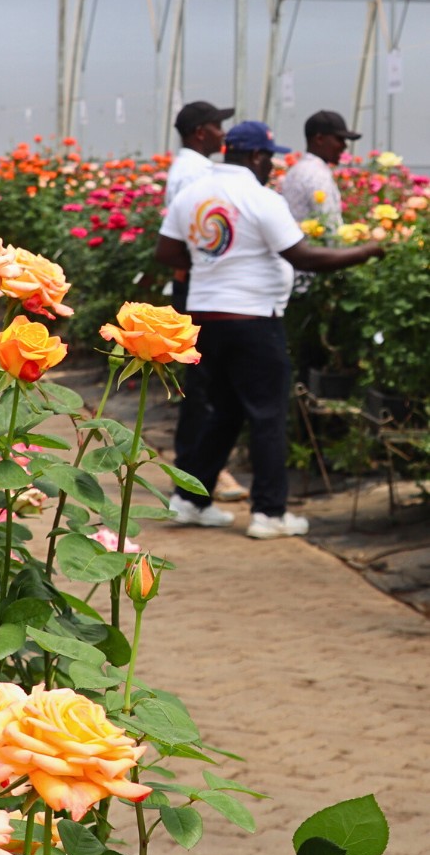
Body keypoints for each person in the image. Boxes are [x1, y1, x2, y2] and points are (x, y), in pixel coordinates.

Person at [154, 120, 384, 540]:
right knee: (267, 415)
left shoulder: (193, 194)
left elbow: (166, 251)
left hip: (206, 319)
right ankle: (269, 513)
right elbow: (305, 257)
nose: (273, 168)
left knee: (223, 412)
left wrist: (214, 267)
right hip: (253, 322)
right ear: (256, 156)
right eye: (270, 159)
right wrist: (366, 251)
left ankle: (190, 500)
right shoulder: (260, 198)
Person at [164, 100, 246, 503]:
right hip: (198, 288)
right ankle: (195, 477)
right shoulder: (194, 173)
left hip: (196, 286)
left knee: (204, 386)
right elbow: (181, 240)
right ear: (200, 131)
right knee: (202, 388)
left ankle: (201, 473)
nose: (222, 134)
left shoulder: (191, 169)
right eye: (217, 126)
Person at [281, 110, 360, 231]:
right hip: (313, 247)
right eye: (339, 139)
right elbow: (329, 227)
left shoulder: (296, 170)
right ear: (319, 139)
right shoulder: (318, 174)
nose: (344, 146)